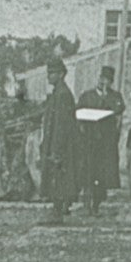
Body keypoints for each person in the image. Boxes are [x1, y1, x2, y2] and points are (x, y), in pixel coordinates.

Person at [76, 65, 126, 215]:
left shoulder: (115, 97)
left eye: (108, 80)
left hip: (105, 143)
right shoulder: (87, 96)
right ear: (98, 78)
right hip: (89, 141)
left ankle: (96, 205)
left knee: (101, 175)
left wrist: (105, 98)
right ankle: (86, 204)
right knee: (87, 173)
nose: (104, 82)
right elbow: (78, 113)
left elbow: (118, 111)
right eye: (102, 79)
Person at [39, 57, 78, 225]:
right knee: (56, 178)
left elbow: (62, 125)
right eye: (48, 73)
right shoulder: (58, 92)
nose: (49, 76)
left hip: (60, 144)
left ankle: (57, 213)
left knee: (59, 178)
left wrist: (57, 150)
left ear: (61, 74)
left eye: (52, 73)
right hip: (54, 142)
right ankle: (57, 211)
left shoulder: (63, 94)